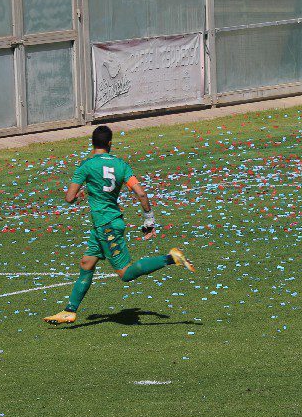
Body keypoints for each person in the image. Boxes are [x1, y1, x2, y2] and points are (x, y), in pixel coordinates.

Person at [43, 125, 194, 325]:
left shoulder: (86, 166)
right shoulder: (121, 165)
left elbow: (69, 197)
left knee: (125, 274)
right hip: (105, 225)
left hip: (106, 225)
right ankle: (69, 311)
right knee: (86, 263)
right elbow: (141, 193)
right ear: (110, 144)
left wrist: (81, 194)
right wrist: (149, 219)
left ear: (92, 143)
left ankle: (170, 258)